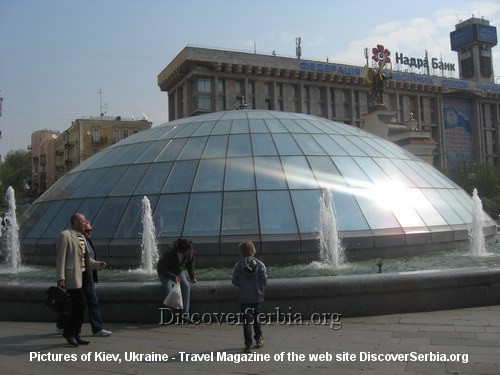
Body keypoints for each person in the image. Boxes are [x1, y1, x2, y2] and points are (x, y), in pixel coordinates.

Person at [56, 213, 107, 347]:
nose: (85, 222)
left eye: (85, 220)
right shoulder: (65, 235)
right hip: (73, 276)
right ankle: (68, 332)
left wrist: (97, 264)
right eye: (82, 220)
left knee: (80, 306)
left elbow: (86, 259)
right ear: (75, 222)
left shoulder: (82, 237)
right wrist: (61, 277)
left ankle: (76, 334)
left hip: (85, 276)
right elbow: (60, 258)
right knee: (79, 304)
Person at [232, 240, 267, 353]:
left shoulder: (238, 265)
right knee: (257, 319)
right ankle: (259, 339)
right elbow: (264, 279)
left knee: (247, 321)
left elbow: (235, 281)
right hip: (257, 297)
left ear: (241, 251)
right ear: (253, 250)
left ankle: (248, 344)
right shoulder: (260, 264)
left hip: (244, 298)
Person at [81, 222, 112, 337]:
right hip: (83, 277)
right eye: (87, 230)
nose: (90, 232)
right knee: (91, 302)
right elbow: (85, 260)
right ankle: (98, 328)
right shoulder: (79, 242)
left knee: (83, 303)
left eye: (91, 230)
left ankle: (62, 324)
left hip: (90, 276)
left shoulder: (88, 241)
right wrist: (98, 264)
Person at [157, 238, 197, 322]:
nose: (190, 253)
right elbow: (161, 268)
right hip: (164, 272)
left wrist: (192, 277)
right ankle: (166, 316)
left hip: (177, 270)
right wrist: (172, 276)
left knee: (186, 286)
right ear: (182, 250)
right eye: (188, 251)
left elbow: (190, 264)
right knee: (169, 292)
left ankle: (185, 315)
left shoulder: (189, 252)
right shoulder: (169, 252)